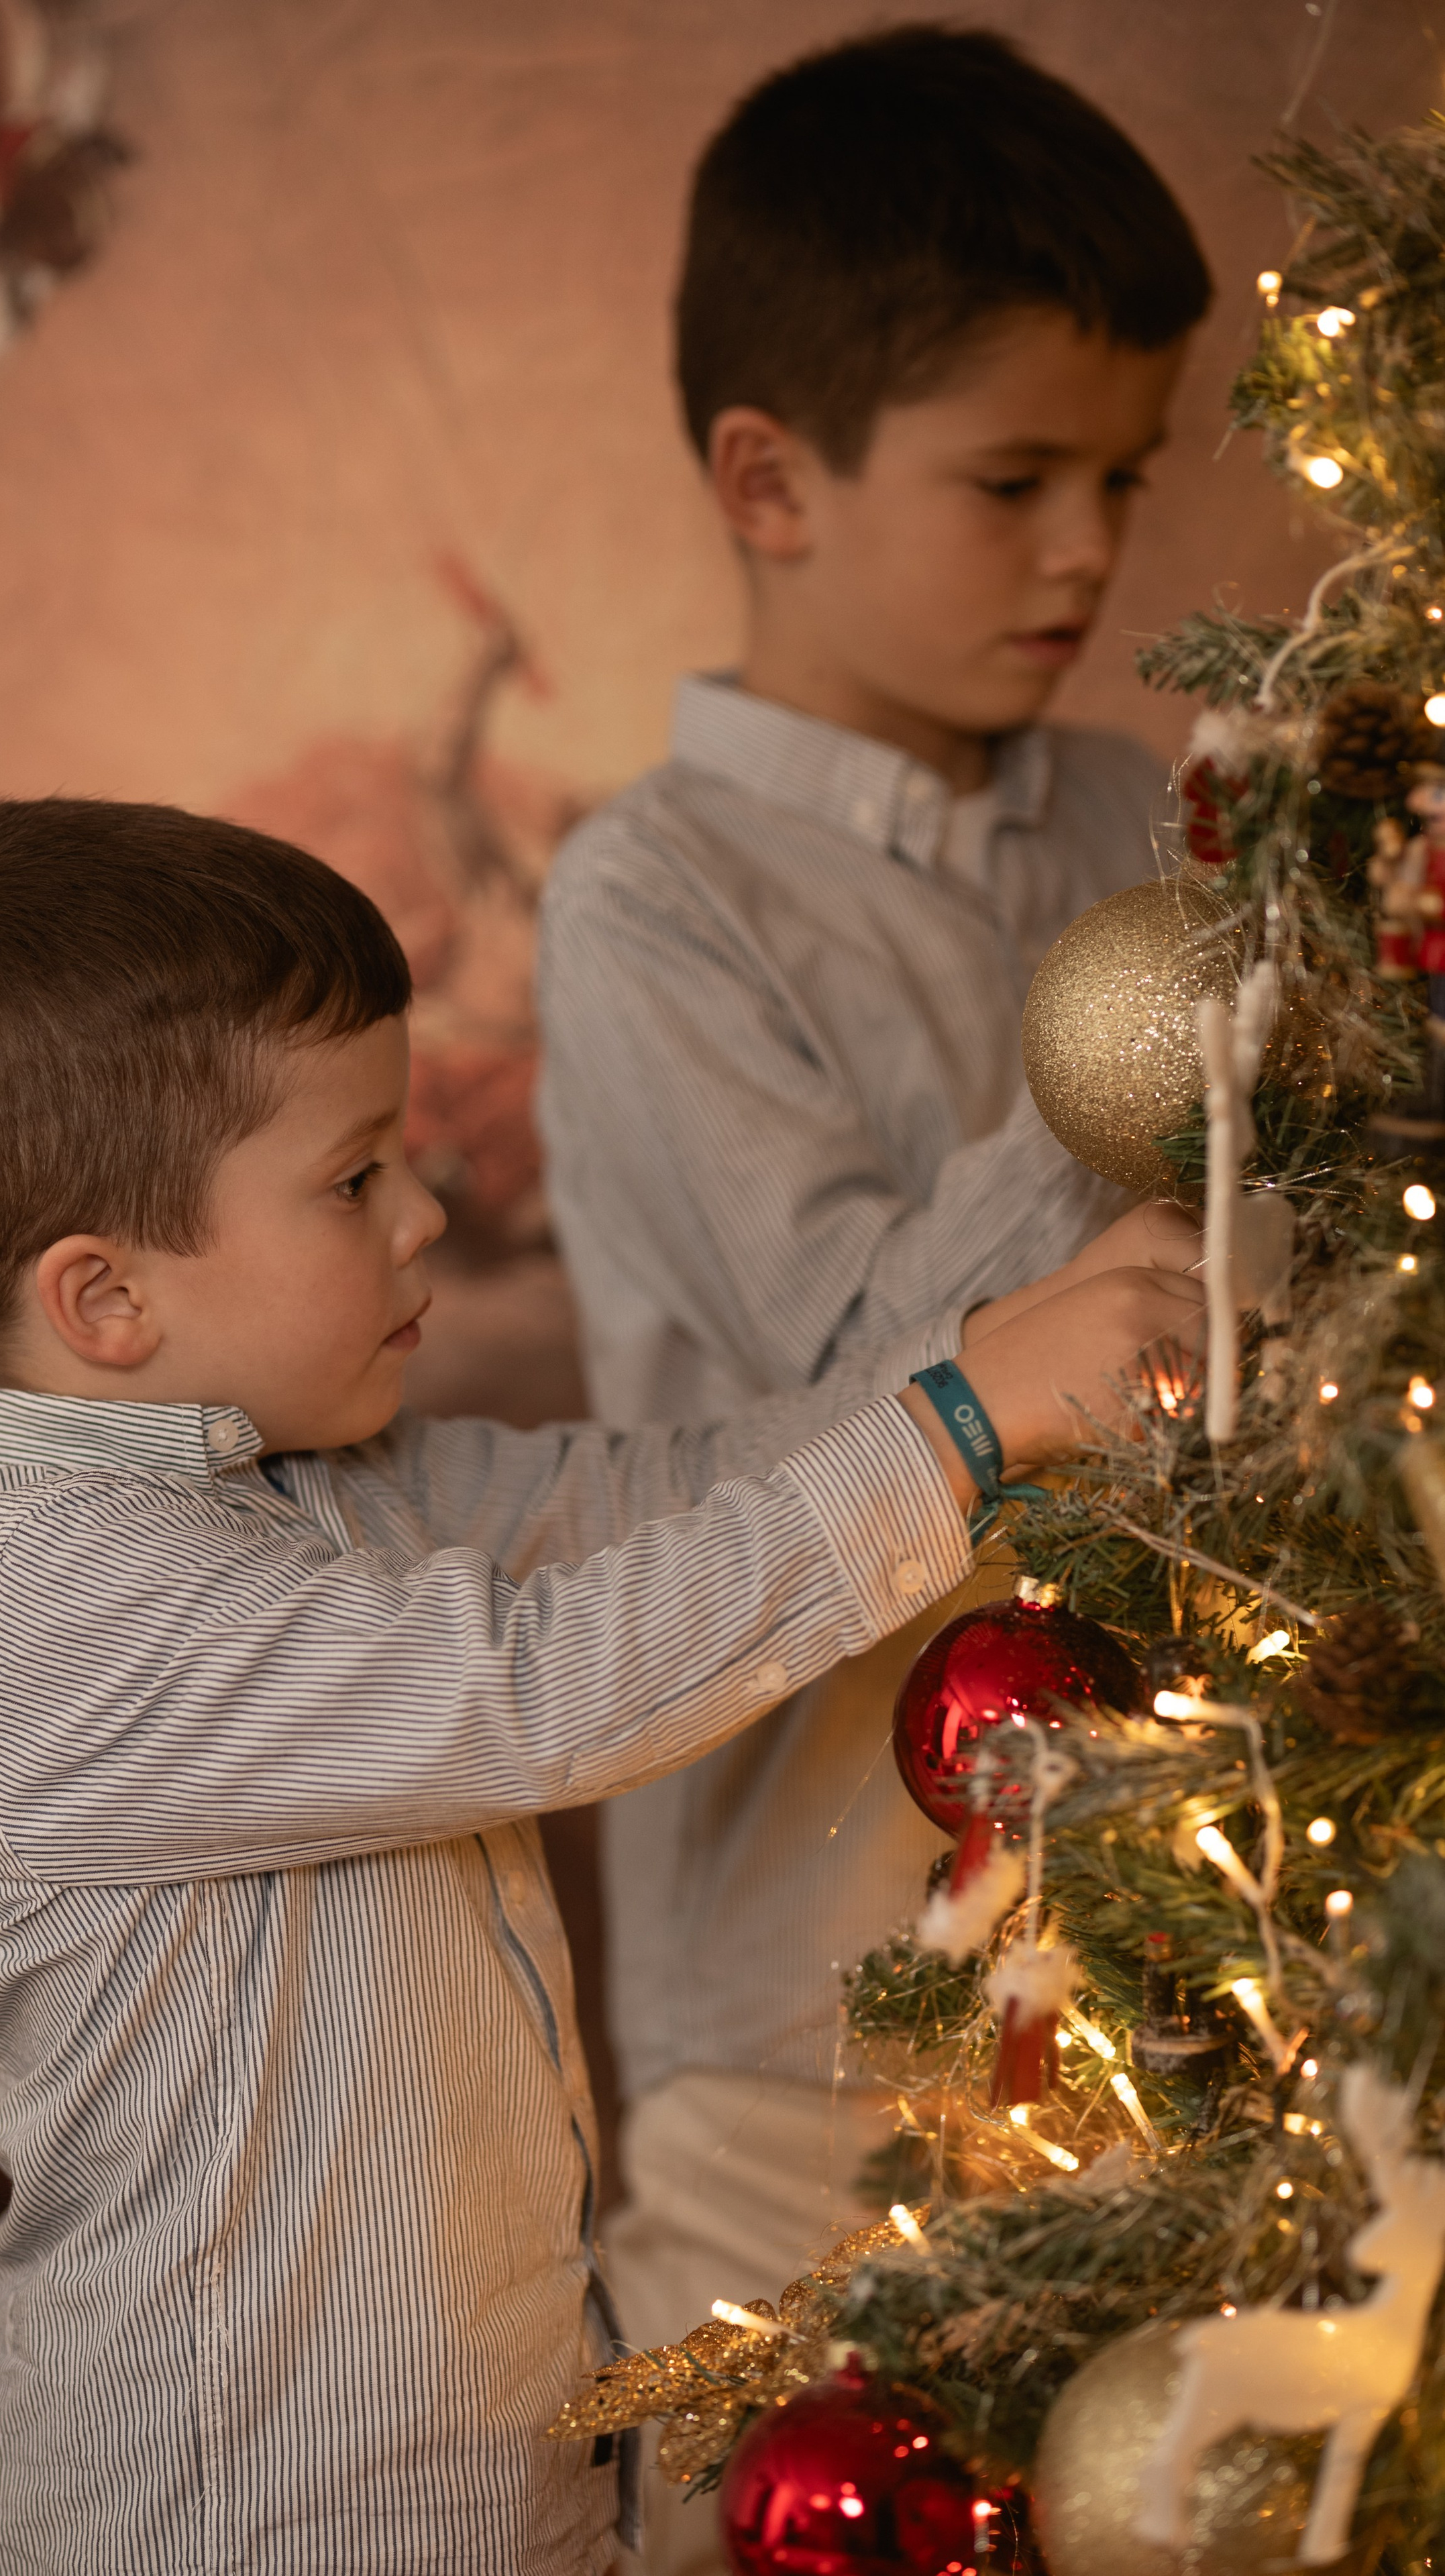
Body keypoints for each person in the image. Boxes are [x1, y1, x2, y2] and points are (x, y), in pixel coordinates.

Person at [0, 797, 1201, 2576]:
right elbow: (544, 1687)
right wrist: (955, 1427)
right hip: (230, 2521)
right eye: (352, 1178)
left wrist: (1010, 1346)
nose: (427, 1207)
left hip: (483, 2472)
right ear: (107, 1301)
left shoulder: (314, 1476)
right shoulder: (62, 1614)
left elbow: (676, 1491)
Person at [533, 30, 1212, 2565]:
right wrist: (1121, 1050)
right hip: (809, 1952)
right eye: (1015, 479)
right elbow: (855, 1370)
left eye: (1125, 479)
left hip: (1143, 1901)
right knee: (786, 2461)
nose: (1087, 552)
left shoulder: (1134, 816)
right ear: (771, 481)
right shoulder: (658, 896)